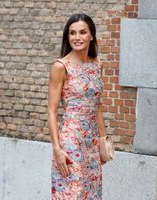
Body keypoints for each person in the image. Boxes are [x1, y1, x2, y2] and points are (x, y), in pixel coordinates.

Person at [48, 13, 107, 200]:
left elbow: (97, 106)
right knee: (72, 192)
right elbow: (51, 110)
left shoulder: (97, 64)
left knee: (91, 193)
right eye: (72, 33)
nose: (77, 37)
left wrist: (103, 141)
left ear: (91, 36)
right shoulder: (61, 66)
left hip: (92, 141)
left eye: (82, 32)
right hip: (71, 140)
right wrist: (57, 148)